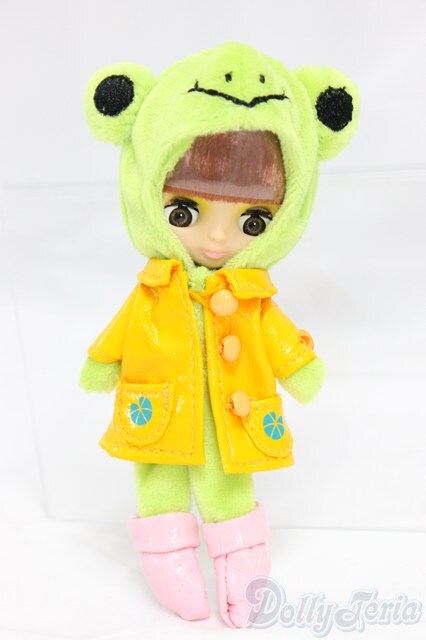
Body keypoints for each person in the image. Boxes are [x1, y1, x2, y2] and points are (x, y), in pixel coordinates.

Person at [81, 42, 360, 627]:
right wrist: (102, 363)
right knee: (158, 478)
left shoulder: (252, 297)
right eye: (184, 212)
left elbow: (274, 332)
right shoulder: (155, 288)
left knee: (229, 479)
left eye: (252, 221)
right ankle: (166, 554)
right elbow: (126, 326)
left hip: (230, 415)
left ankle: (240, 555)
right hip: (157, 406)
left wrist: (299, 366)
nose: (215, 240)